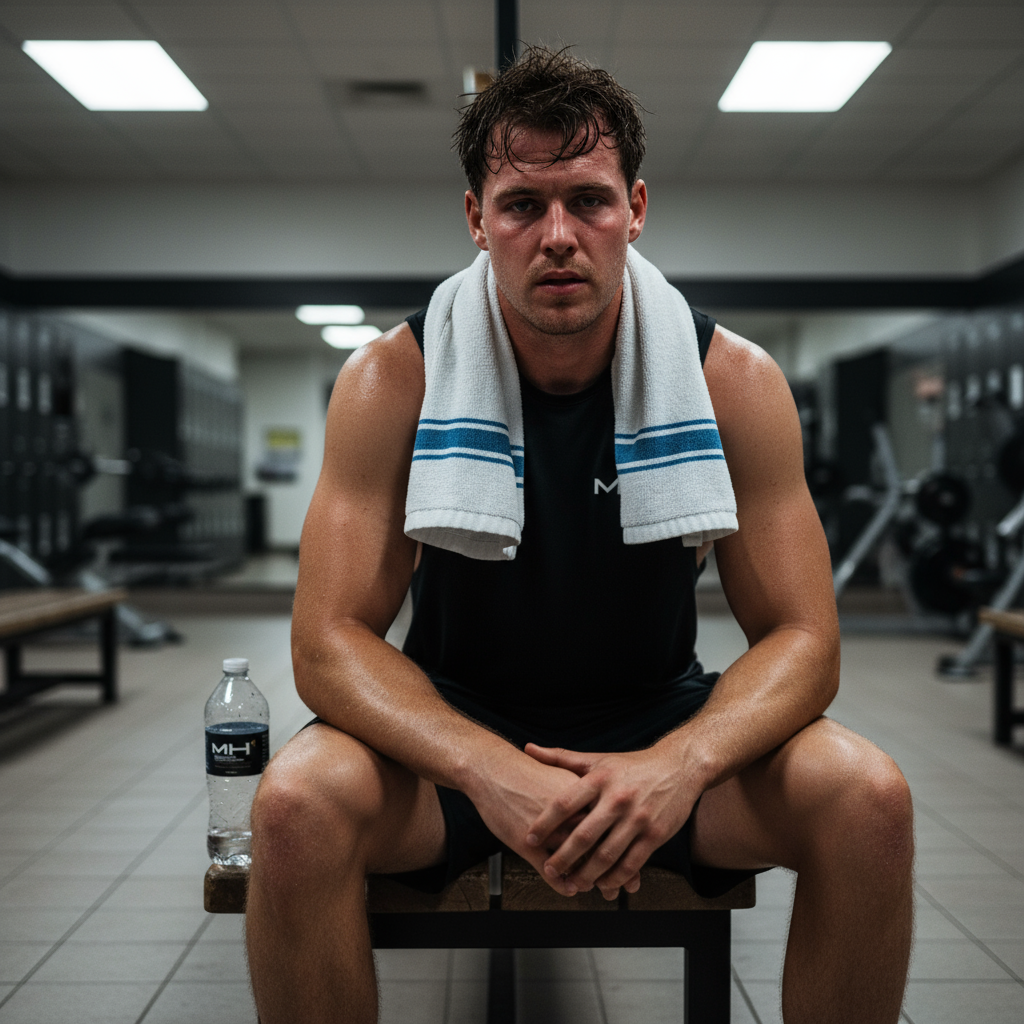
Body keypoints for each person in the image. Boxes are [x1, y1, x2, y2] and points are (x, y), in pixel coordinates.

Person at [246, 46, 914, 1024]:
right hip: (452, 743)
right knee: (295, 807)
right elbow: (327, 639)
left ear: (634, 208)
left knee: (866, 797)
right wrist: (485, 765)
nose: (558, 234)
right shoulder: (394, 380)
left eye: (588, 200)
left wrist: (678, 765)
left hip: (658, 730)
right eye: (522, 205)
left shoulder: (735, 383)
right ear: (477, 219)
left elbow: (806, 641)